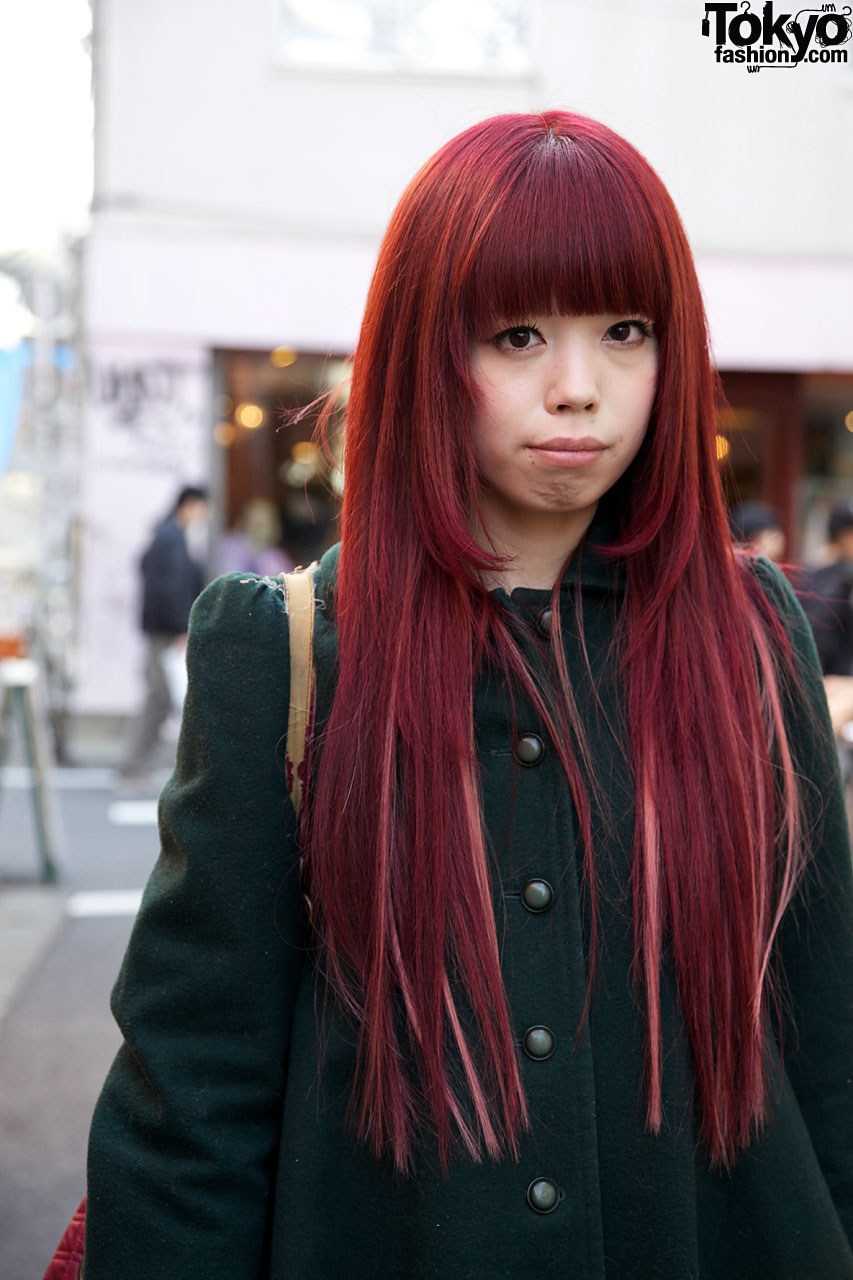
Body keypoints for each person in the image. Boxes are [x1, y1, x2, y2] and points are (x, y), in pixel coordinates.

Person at [82, 113, 853, 1278]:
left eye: (626, 330)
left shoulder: (747, 639)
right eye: (518, 334)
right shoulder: (289, 655)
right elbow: (191, 1104)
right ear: (426, 351)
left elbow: (829, 1049)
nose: (579, 388)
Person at [119, 484, 208, 779]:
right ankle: (133, 764)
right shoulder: (171, 537)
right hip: (164, 631)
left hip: (162, 629)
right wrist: (179, 626)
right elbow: (167, 588)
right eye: (202, 508)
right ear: (190, 505)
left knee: (159, 694)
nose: (204, 515)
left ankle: (137, 762)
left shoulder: (170, 534)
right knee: (158, 695)